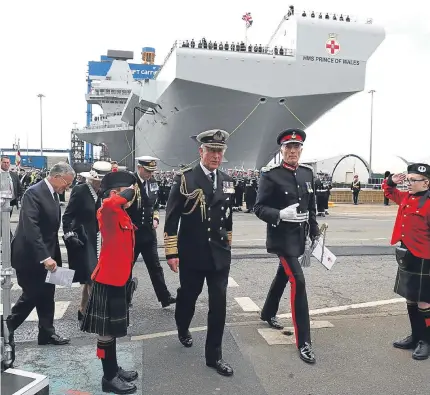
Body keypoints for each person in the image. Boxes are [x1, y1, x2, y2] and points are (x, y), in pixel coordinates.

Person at [164, 129, 235, 376]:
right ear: (201, 151)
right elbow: (171, 218)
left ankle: (214, 356)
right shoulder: (185, 179)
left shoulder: (227, 180)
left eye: (220, 151)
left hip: (219, 255)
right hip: (192, 253)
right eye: (212, 151)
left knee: (219, 305)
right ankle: (182, 326)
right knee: (188, 298)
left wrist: (228, 245)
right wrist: (171, 253)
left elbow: (228, 218)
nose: (216, 156)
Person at [254, 129, 319, 364]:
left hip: (299, 239)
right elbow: (259, 208)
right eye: (288, 148)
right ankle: (304, 342)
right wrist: (280, 214)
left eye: (296, 148)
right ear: (281, 150)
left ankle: (268, 312)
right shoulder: (271, 175)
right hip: (282, 240)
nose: (293, 151)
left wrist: (315, 233)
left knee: (284, 276)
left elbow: (311, 208)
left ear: (301, 150)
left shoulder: (306, 173)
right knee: (298, 281)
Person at [81, 170, 139, 394]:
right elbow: (107, 206)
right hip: (108, 279)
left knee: (113, 330)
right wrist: (123, 194)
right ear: (116, 193)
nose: (132, 197)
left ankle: (114, 369)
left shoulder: (122, 213)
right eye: (128, 192)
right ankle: (108, 378)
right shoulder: (108, 211)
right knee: (105, 332)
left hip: (119, 279)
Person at [7, 162, 74, 347]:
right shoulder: (34, 193)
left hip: (48, 253)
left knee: (47, 293)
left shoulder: (53, 194)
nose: (66, 188)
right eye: (66, 183)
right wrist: (45, 257)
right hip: (30, 256)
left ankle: (47, 332)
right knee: (32, 294)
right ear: (57, 176)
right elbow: (31, 228)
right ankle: (7, 327)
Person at [383, 163, 430, 360]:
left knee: (424, 301)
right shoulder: (406, 197)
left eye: (413, 180)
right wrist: (390, 181)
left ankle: (426, 341)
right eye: (408, 179)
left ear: (426, 182)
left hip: (424, 257)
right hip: (407, 255)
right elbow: (388, 192)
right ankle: (415, 336)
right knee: (410, 298)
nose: (409, 183)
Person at [62, 161, 112, 323]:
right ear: (94, 179)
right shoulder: (80, 190)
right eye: (101, 180)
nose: (103, 183)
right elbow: (67, 216)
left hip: (100, 239)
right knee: (93, 276)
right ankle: (97, 313)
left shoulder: (105, 193)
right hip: (84, 239)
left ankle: (82, 309)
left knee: (91, 276)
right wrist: (69, 233)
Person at [127, 156, 176, 308]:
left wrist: (155, 218)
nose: (150, 174)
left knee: (155, 266)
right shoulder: (129, 182)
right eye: (147, 171)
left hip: (149, 233)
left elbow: (155, 205)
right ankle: (124, 298)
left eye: (152, 171)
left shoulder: (153, 183)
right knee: (127, 267)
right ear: (139, 168)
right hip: (132, 234)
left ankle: (164, 297)